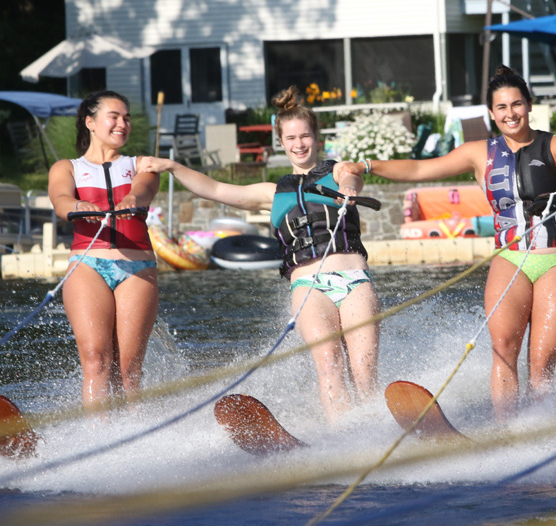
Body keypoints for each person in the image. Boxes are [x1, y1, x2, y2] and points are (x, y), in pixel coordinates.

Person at [337, 66, 556, 421]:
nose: (510, 114)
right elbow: (419, 169)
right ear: (491, 113)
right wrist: (366, 165)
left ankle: (540, 428)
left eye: (516, 105)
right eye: (501, 108)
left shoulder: (554, 143)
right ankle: (507, 430)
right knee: (503, 349)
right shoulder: (480, 153)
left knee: (541, 360)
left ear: (529, 105)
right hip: (510, 257)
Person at [140, 86, 379, 424]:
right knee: (329, 364)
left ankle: (374, 434)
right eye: (291, 138)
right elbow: (217, 189)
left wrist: (350, 189)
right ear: (281, 142)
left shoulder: (336, 171)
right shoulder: (272, 192)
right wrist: (172, 166)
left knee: (363, 370)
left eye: (305, 136)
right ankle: (343, 435)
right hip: (309, 288)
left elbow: (352, 174)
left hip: (354, 280)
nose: (299, 144)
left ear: (316, 137)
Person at [48, 90, 161, 410]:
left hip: (136, 267)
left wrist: (132, 200)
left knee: (127, 371)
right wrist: (76, 205)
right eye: (114, 116)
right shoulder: (66, 167)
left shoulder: (142, 164)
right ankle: (98, 437)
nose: (123, 123)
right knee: (96, 360)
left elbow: (143, 188)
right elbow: (60, 200)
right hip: (87, 265)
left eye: (126, 118)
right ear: (90, 122)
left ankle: (135, 436)